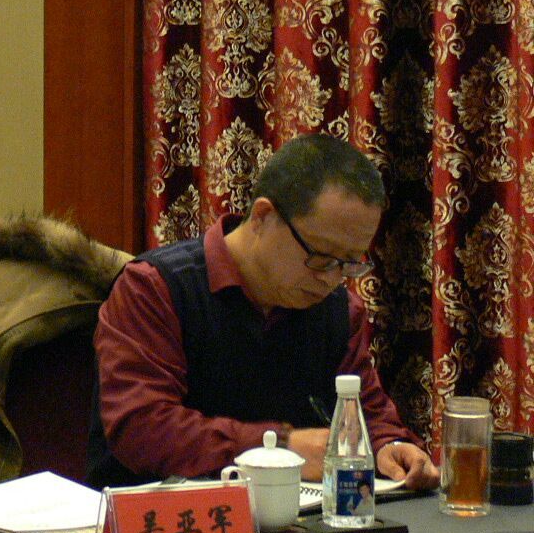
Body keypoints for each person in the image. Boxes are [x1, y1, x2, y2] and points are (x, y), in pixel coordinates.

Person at [90, 133, 439, 492]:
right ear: (262, 216)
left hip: (296, 517)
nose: (331, 279)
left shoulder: (338, 310)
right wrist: (277, 447)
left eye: (349, 263)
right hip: (162, 515)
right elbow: (141, 427)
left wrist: (389, 445)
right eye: (320, 257)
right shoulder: (155, 287)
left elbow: (366, 411)